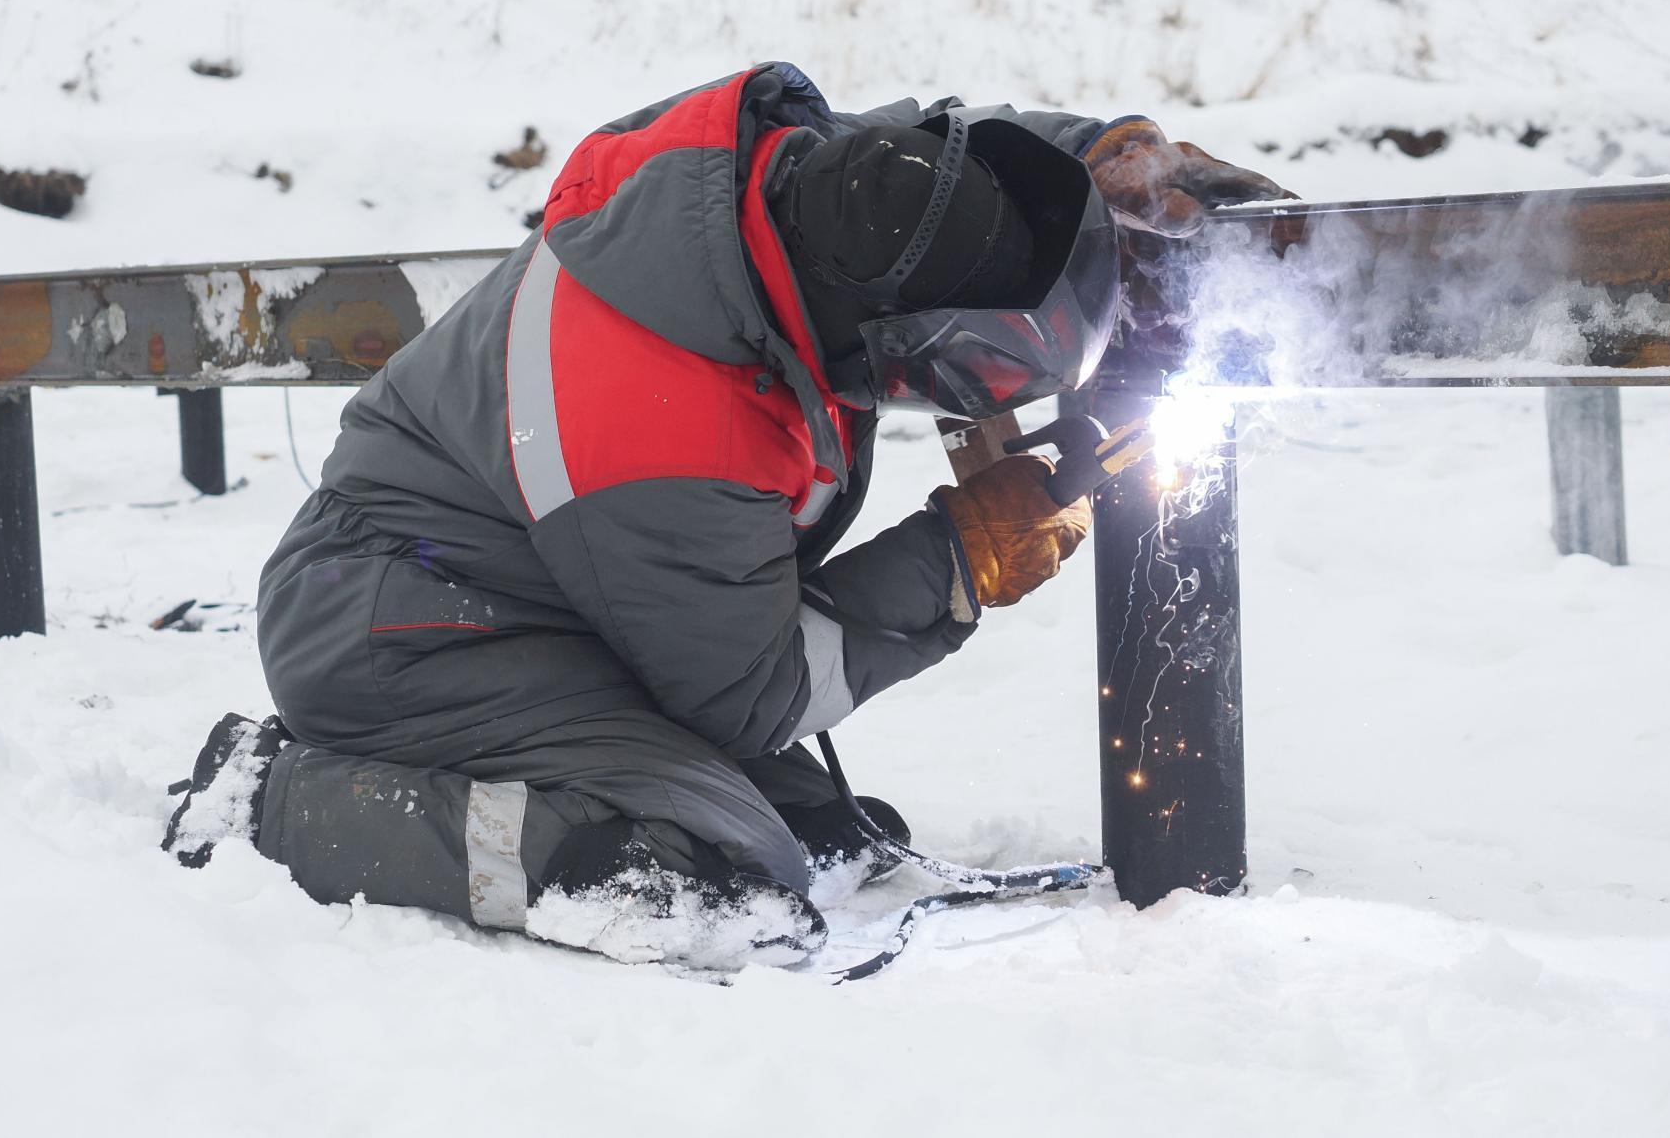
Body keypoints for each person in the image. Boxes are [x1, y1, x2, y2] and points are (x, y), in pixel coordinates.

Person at [160, 62, 1283, 967]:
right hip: (399, 628)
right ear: (880, 332)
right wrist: (963, 556)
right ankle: (277, 800)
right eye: (972, 378)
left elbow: (941, 168)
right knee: (707, 872)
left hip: (544, 591)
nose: (980, 403)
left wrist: (1097, 163)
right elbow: (757, 692)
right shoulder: (670, 424)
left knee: (822, 833)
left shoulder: (789, 189)